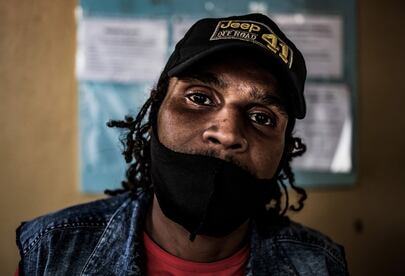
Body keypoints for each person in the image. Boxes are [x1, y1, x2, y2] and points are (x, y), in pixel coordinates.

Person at [16, 13, 348, 275]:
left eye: (262, 118)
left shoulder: (320, 266)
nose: (228, 133)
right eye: (200, 98)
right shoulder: (51, 251)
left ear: (283, 152)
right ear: (155, 113)